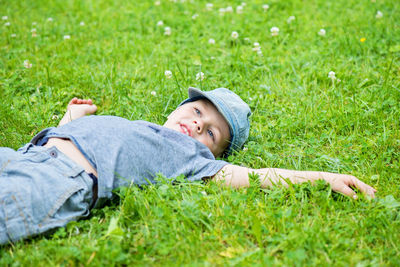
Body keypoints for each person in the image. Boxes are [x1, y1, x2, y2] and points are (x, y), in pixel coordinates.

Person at [0, 87, 376, 245]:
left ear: (210, 156)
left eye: (210, 133)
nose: (198, 124)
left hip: (60, 180)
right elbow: (74, 138)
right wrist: (72, 115)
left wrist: (322, 178)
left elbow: (255, 177)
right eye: (197, 112)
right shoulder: (140, 127)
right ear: (178, 108)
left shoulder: (186, 157)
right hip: (25, 154)